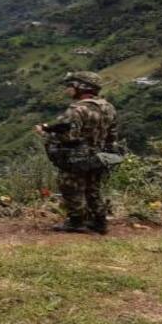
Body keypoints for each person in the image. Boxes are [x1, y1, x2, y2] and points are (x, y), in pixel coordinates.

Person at [34, 71, 118, 234]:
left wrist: (44, 132)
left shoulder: (77, 109)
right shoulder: (108, 107)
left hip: (77, 156)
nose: (67, 90)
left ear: (81, 87)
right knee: (93, 187)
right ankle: (99, 221)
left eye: (70, 86)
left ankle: (76, 221)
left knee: (70, 186)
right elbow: (112, 135)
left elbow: (68, 136)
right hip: (100, 155)